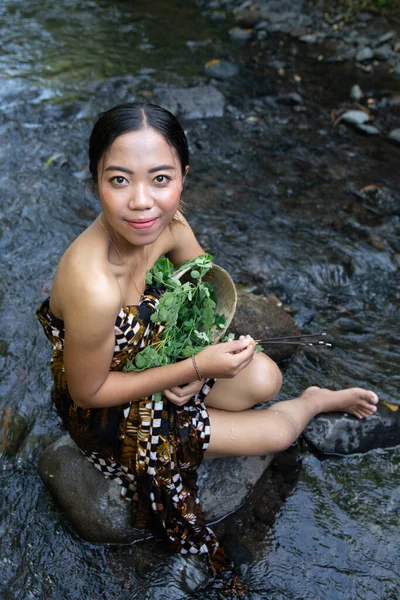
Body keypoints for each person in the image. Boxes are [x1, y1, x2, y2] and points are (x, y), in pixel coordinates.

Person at [36, 102, 379, 591]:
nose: (141, 202)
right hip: (110, 415)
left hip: (160, 359)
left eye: (160, 179)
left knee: (264, 377)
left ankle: (257, 400)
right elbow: (89, 392)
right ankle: (314, 402)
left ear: (183, 177)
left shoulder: (169, 225)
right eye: (119, 180)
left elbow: (204, 291)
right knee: (277, 435)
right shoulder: (93, 284)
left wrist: (197, 363)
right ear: (95, 182)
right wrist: (191, 366)